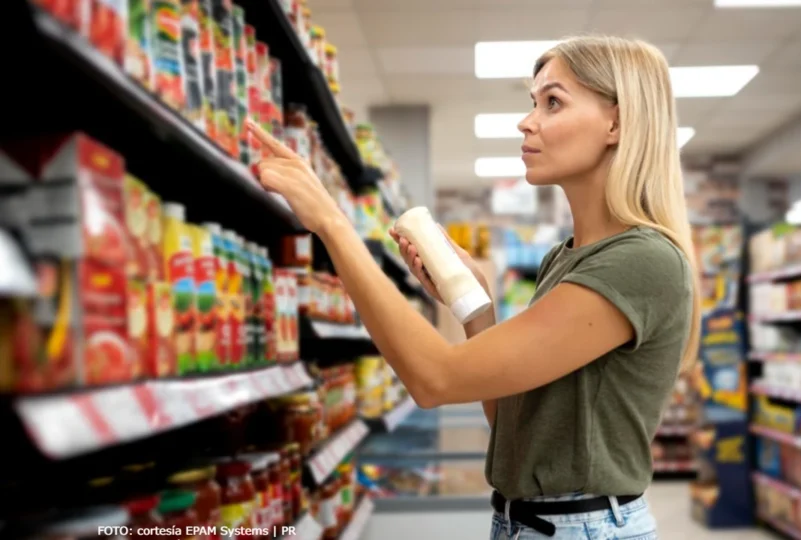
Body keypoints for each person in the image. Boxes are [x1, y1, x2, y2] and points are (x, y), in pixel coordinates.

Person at [248, 35, 700, 540]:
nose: (526, 121)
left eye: (552, 102)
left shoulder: (641, 260)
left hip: (583, 527)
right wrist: (472, 303)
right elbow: (511, 423)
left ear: (616, 123)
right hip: (528, 522)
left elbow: (434, 379)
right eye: (533, 102)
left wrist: (333, 225)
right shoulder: (565, 258)